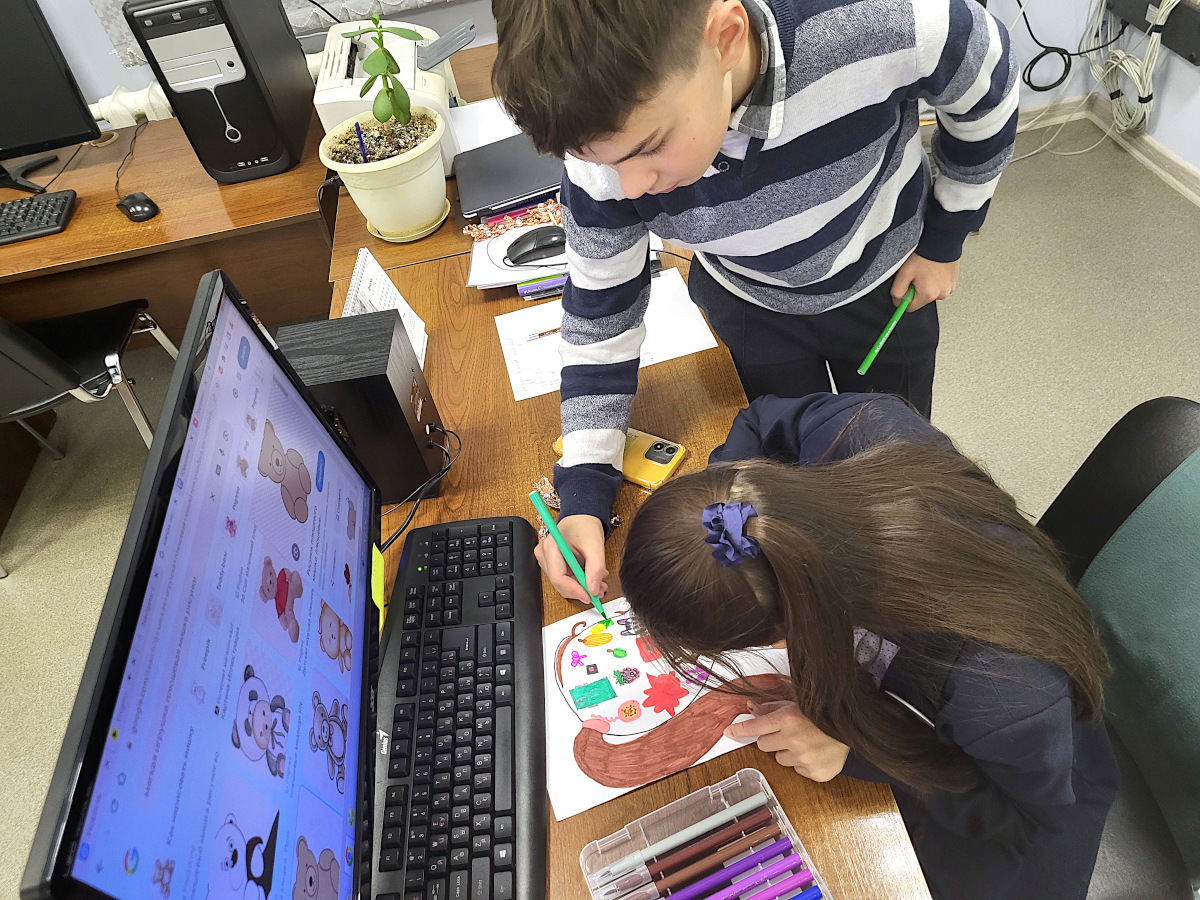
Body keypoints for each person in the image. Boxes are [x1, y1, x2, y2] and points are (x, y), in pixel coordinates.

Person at [492, 0, 1019, 604]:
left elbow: (987, 75)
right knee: (777, 473)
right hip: (747, 303)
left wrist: (946, 237)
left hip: (888, 289)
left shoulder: (882, 21)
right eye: (603, 163)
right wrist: (584, 490)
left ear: (727, 38)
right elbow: (600, 312)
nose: (629, 187)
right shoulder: (607, 156)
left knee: (891, 457)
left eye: (650, 147)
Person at [612, 392, 1119, 900]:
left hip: (1019, 799)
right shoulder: (868, 426)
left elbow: (1023, 820)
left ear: (786, 631)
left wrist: (853, 752)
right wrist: (722, 537)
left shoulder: (1002, 695)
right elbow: (761, 420)